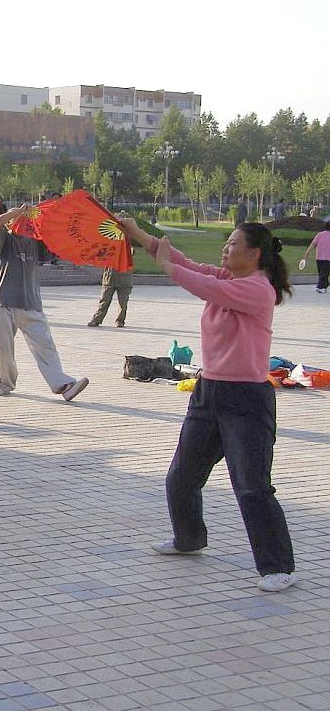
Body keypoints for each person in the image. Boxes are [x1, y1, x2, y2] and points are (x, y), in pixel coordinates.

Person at [119, 218, 297, 593]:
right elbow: (187, 264)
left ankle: (278, 566)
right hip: (208, 392)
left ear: (254, 254)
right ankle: (189, 539)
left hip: (246, 401)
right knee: (181, 477)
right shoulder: (229, 279)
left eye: (233, 244)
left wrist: (167, 267)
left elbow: (199, 283)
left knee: (252, 487)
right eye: (226, 243)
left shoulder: (257, 289)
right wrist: (137, 233)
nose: (225, 250)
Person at [0, 204, 89, 401]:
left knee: (45, 347)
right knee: (3, 347)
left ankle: (63, 385)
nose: (22, 221)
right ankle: (4, 383)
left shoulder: (37, 242)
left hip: (31, 303)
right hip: (5, 301)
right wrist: (18, 211)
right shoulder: (5, 240)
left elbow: (58, 239)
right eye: (18, 219)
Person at [87, 257, 134, 327]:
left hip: (124, 280)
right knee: (104, 301)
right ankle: (96, 320)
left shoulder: (127, 249)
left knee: (123, 303)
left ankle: (120, 321)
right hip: (110, 279)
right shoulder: (110, 249)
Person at [299, 220, 330, 293]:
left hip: (319, 258)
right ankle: (323, 285)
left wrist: (307, 253)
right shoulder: (320, 234)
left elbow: (312, 244)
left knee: (322, 273)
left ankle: (320, 287)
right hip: (328, 258)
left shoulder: (319, 234)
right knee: (324, 273)